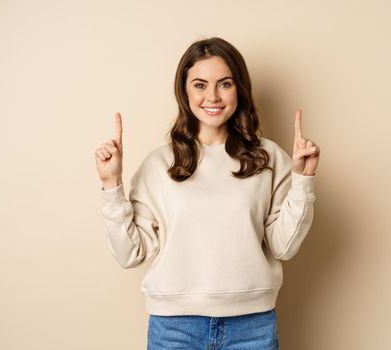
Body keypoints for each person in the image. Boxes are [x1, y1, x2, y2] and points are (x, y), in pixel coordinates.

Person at [94, 37, 320, 350]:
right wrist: (111, 184)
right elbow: (130, 254)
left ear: (239, 88)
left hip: (252, 326)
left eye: (224, 84)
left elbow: (284, 246)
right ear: (184, 91)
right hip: (174, 328)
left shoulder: (269, 158)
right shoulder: (159, 164)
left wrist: (303, 178)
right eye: (200, 85)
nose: (212, 96)